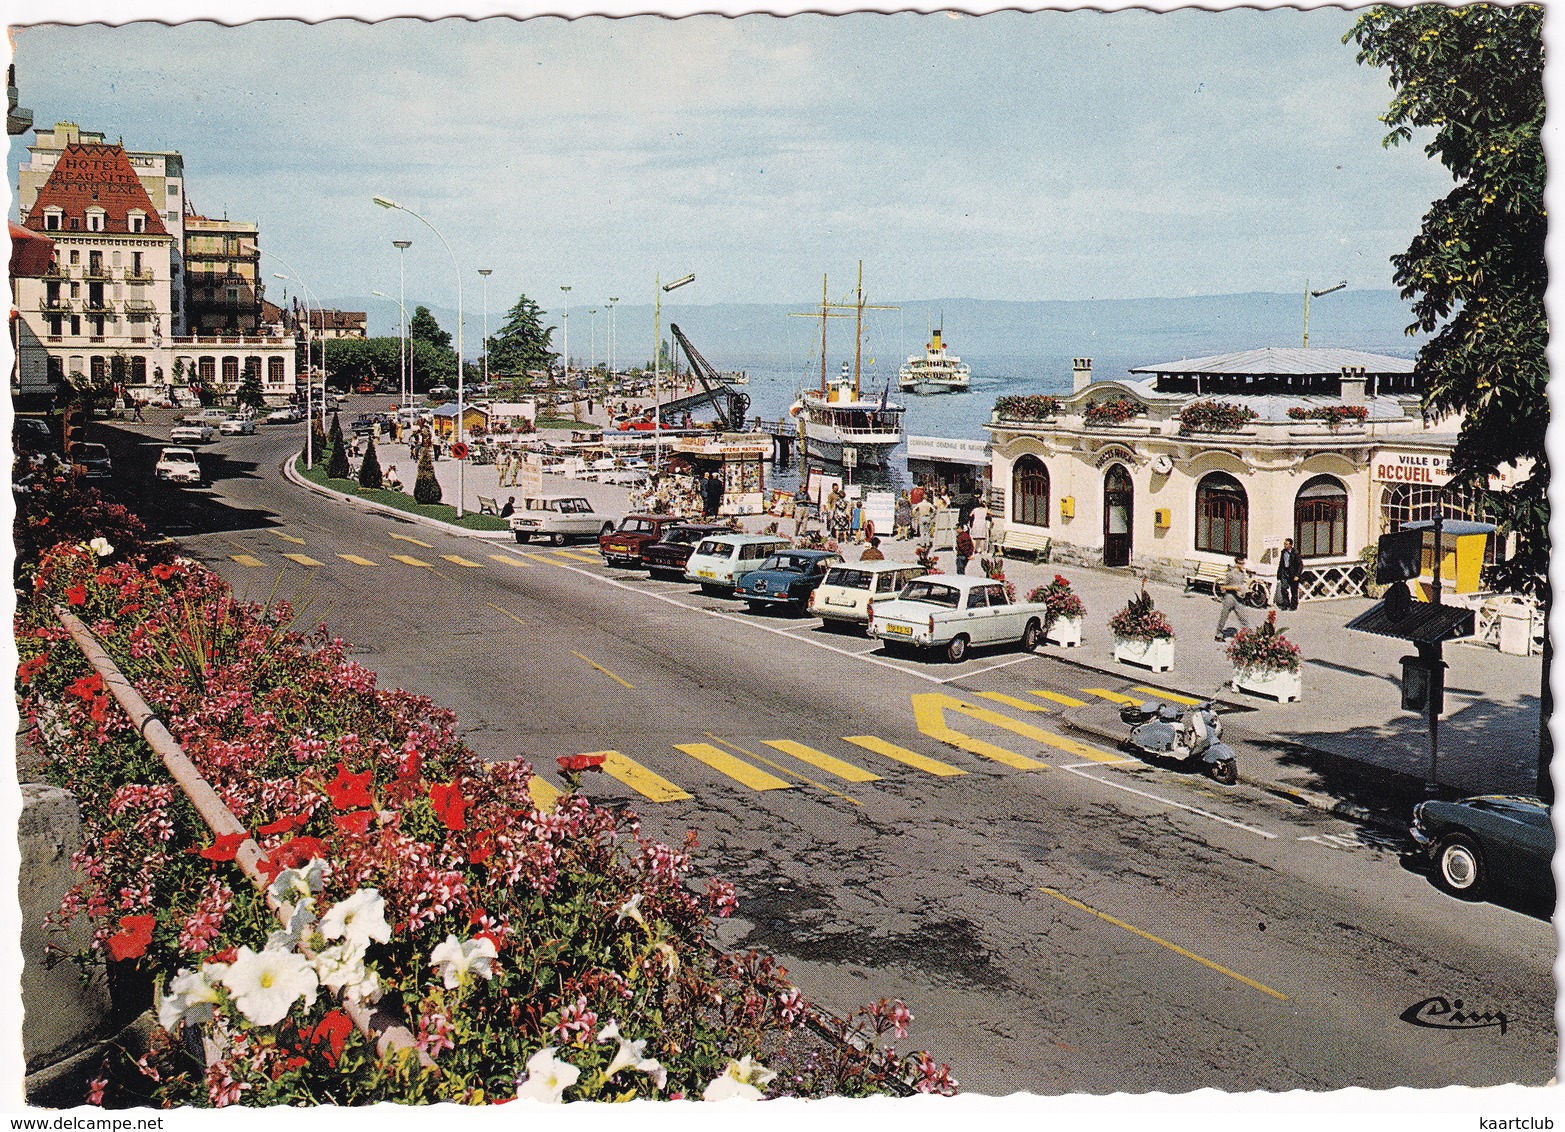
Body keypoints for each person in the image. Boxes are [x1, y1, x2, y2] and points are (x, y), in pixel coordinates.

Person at [1214, 555, 1255, 640]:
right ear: (1236, 563)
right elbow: (1223, 586)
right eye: (1240, 563)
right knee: (1224, 616)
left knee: (1243, 616)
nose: (1241, 565)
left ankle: (1248, 633)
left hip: (1238, 597)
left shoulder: (1242, 574)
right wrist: (1233, 588)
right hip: (1229, 596)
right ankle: (1219, 633)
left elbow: (1243, 584)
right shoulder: (1231, 573)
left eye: (1243, 563)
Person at [1276, 538, 1303, 611]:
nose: (1285, 545)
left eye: (1286, 544)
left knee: (1294, 590)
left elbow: (1300, 565)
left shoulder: (1295, 553)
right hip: (1285, 571)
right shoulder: (1283, 552)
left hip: (1293, 573)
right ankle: (1286, 603)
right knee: (1283, 588)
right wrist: (1279, 574)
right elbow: (1281, 563)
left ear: (1290, 545)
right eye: (1284, 544)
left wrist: (1297, 575)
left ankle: (1294, 605)